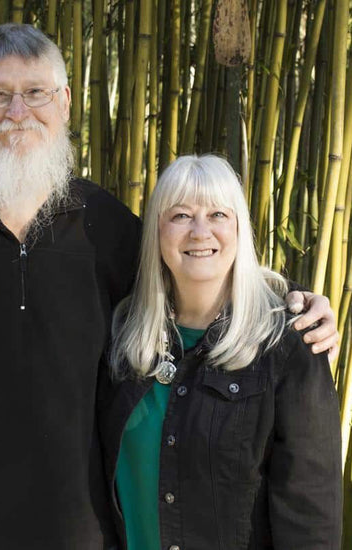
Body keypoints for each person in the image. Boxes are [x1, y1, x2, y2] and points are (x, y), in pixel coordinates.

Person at [0, 25, 337, 550]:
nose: (18, 112)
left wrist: (290, 301)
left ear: (64, 102)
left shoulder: (106, 228)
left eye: (36, 93)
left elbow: (198, 269)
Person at [99, 155, 342, 550]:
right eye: (180, 215)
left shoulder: (289, 346)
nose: (200, 231)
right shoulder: (123, 340)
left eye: (217, 214)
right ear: (156, 232)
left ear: (240, 230)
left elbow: (310, 513)